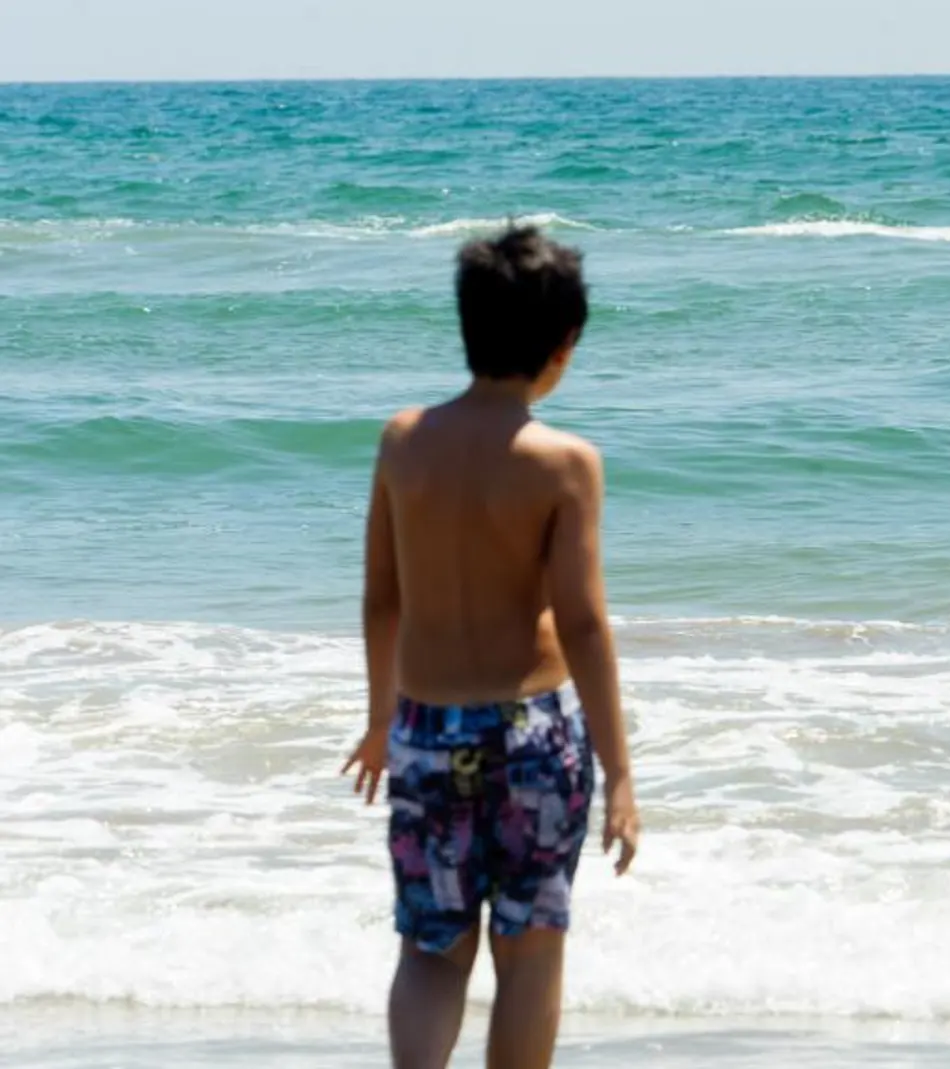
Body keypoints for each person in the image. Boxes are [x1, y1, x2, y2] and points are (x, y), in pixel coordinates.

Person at [342, 224, 641, 1069]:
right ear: (564, 346)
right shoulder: (564, 463)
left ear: (466, 327)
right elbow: (581, 622)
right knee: (531, 950)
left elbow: (381, 597)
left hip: (426, 732)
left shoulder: (403, 441)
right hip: (532, 738)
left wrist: (379, 721)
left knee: (432, 949)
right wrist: (619, 771)